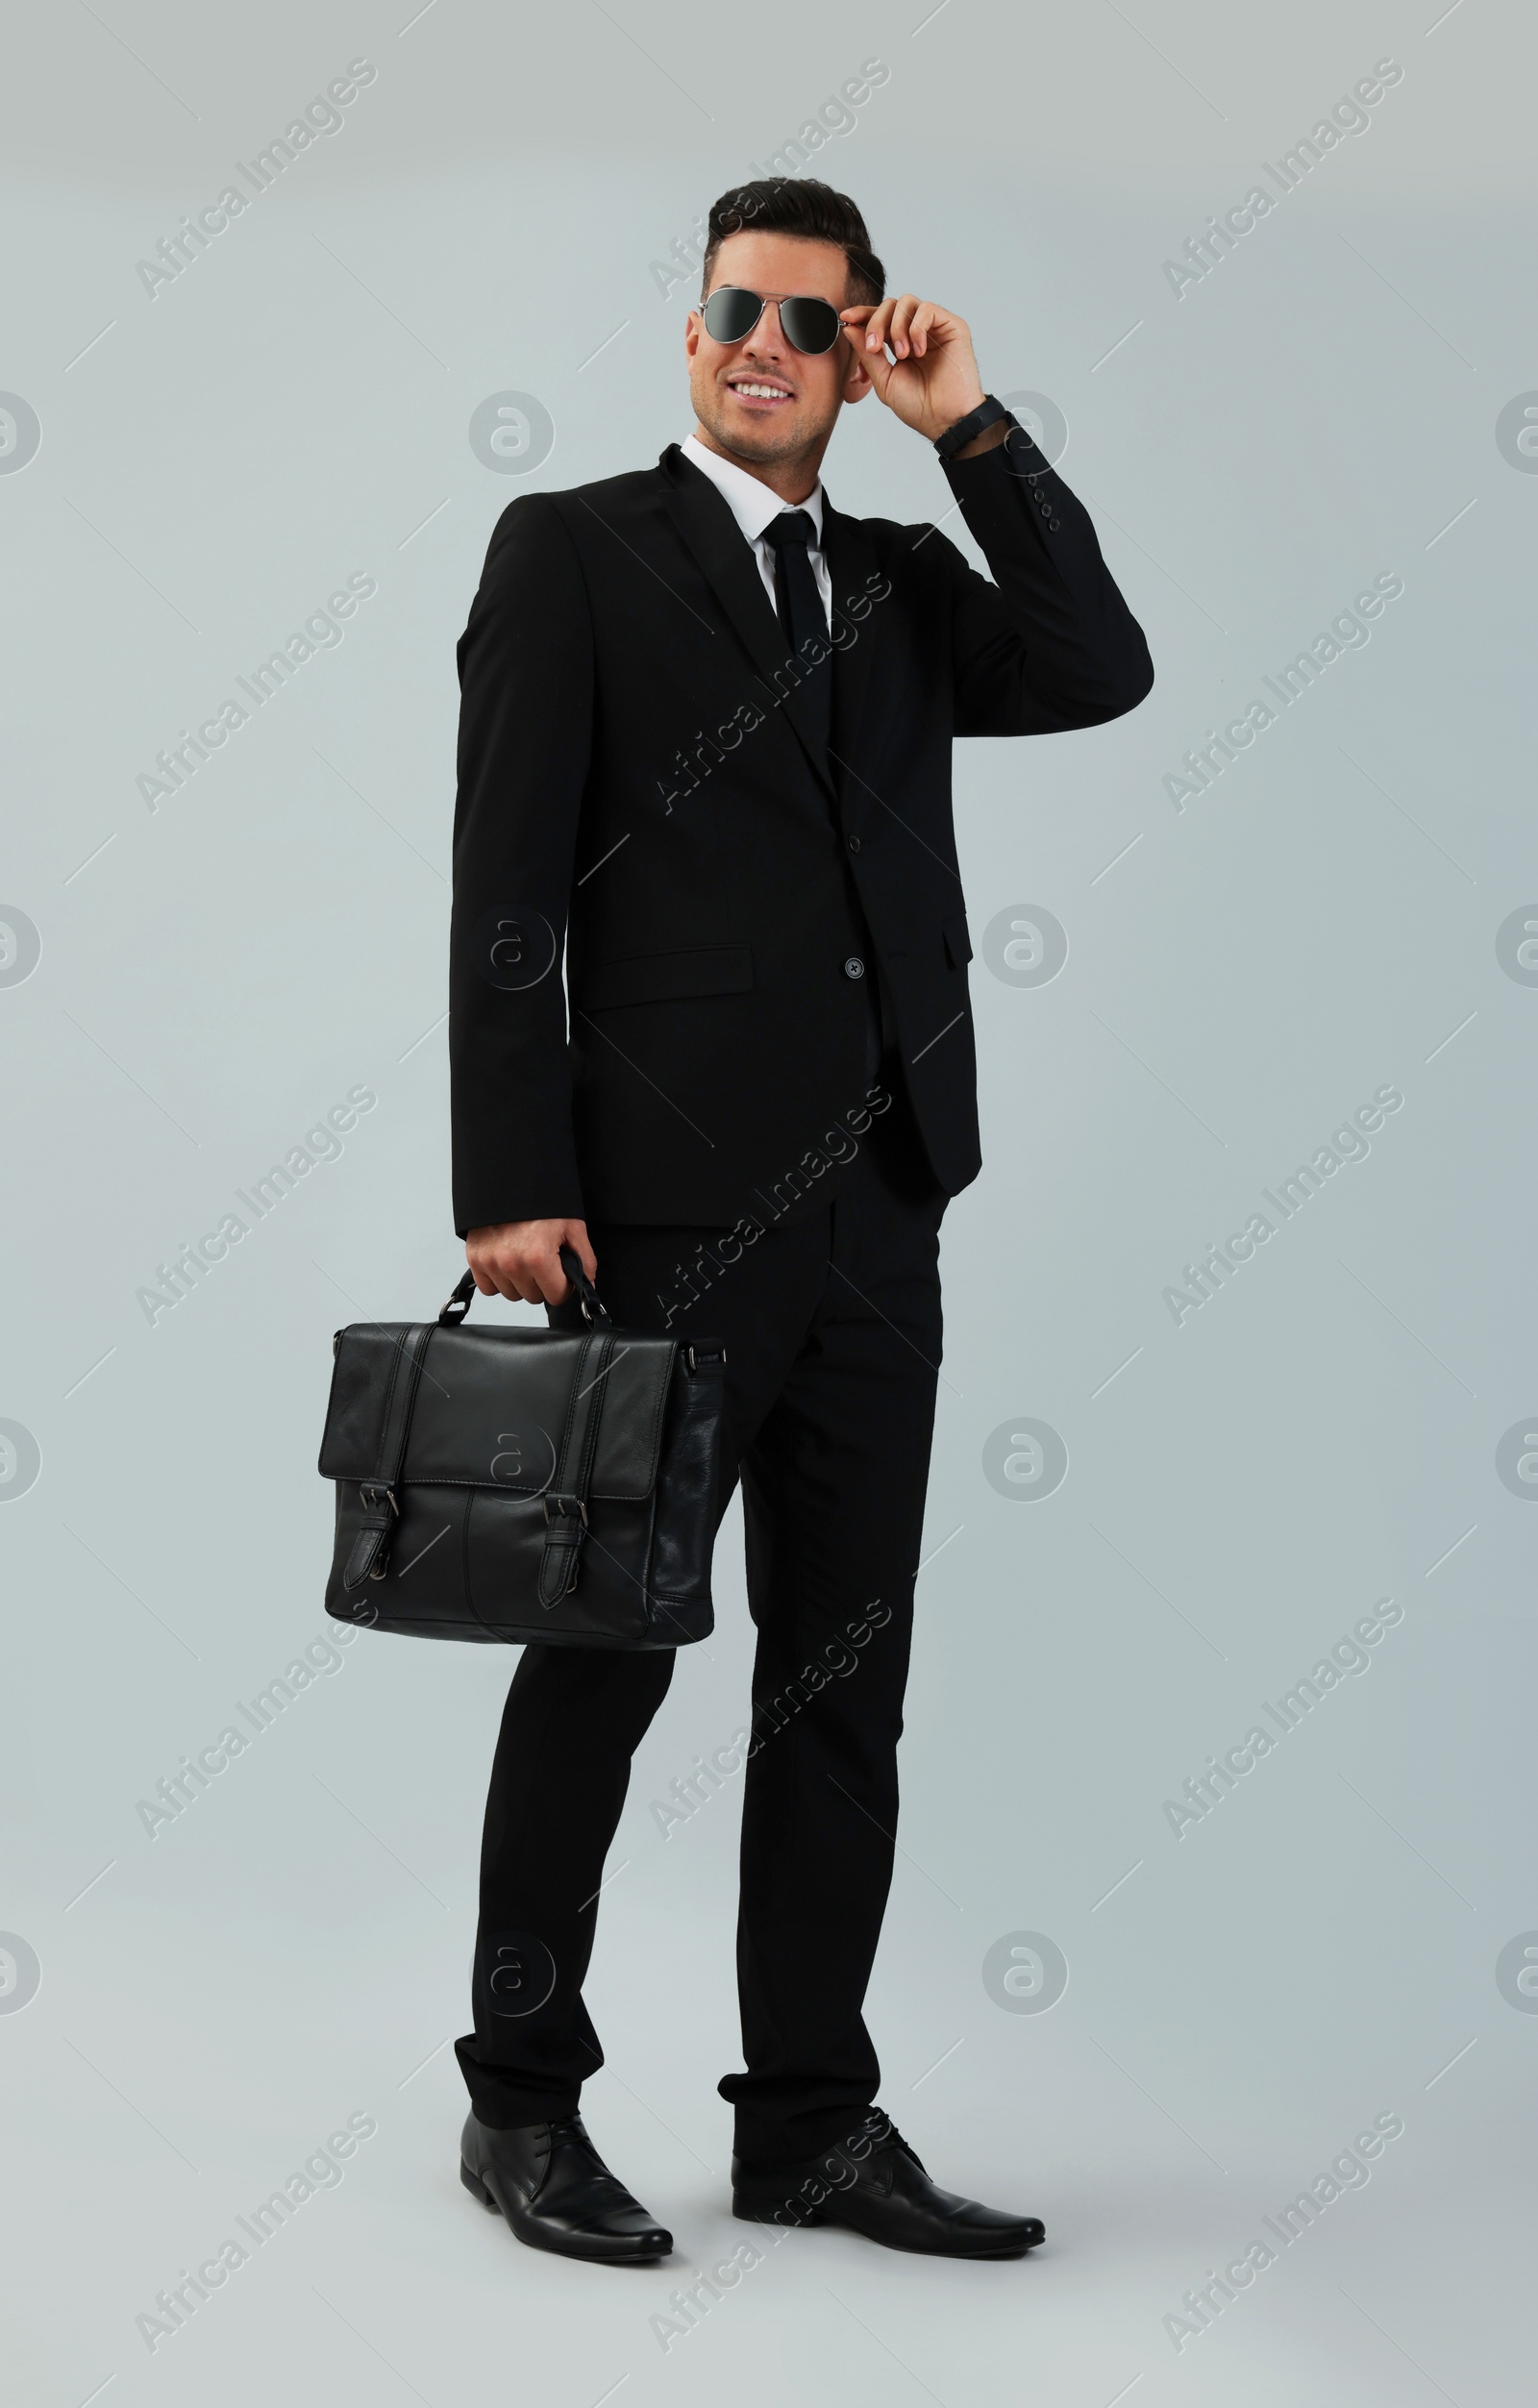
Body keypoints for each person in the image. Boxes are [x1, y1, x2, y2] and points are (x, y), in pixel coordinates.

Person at [448, 177, 1153, 2266]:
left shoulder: (901, 577)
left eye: (805, 318)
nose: (757, 338)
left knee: (841, 1677)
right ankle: (518, 2100)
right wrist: (513, 1177)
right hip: (647, 1220)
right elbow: (503, 884)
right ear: (690, 334)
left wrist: (973, 430)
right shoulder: (573, 548)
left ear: (857, 348)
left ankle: (809, 2121)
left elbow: (1099, 662)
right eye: (727, 307)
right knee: (602, 1658)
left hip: (875, 1203)